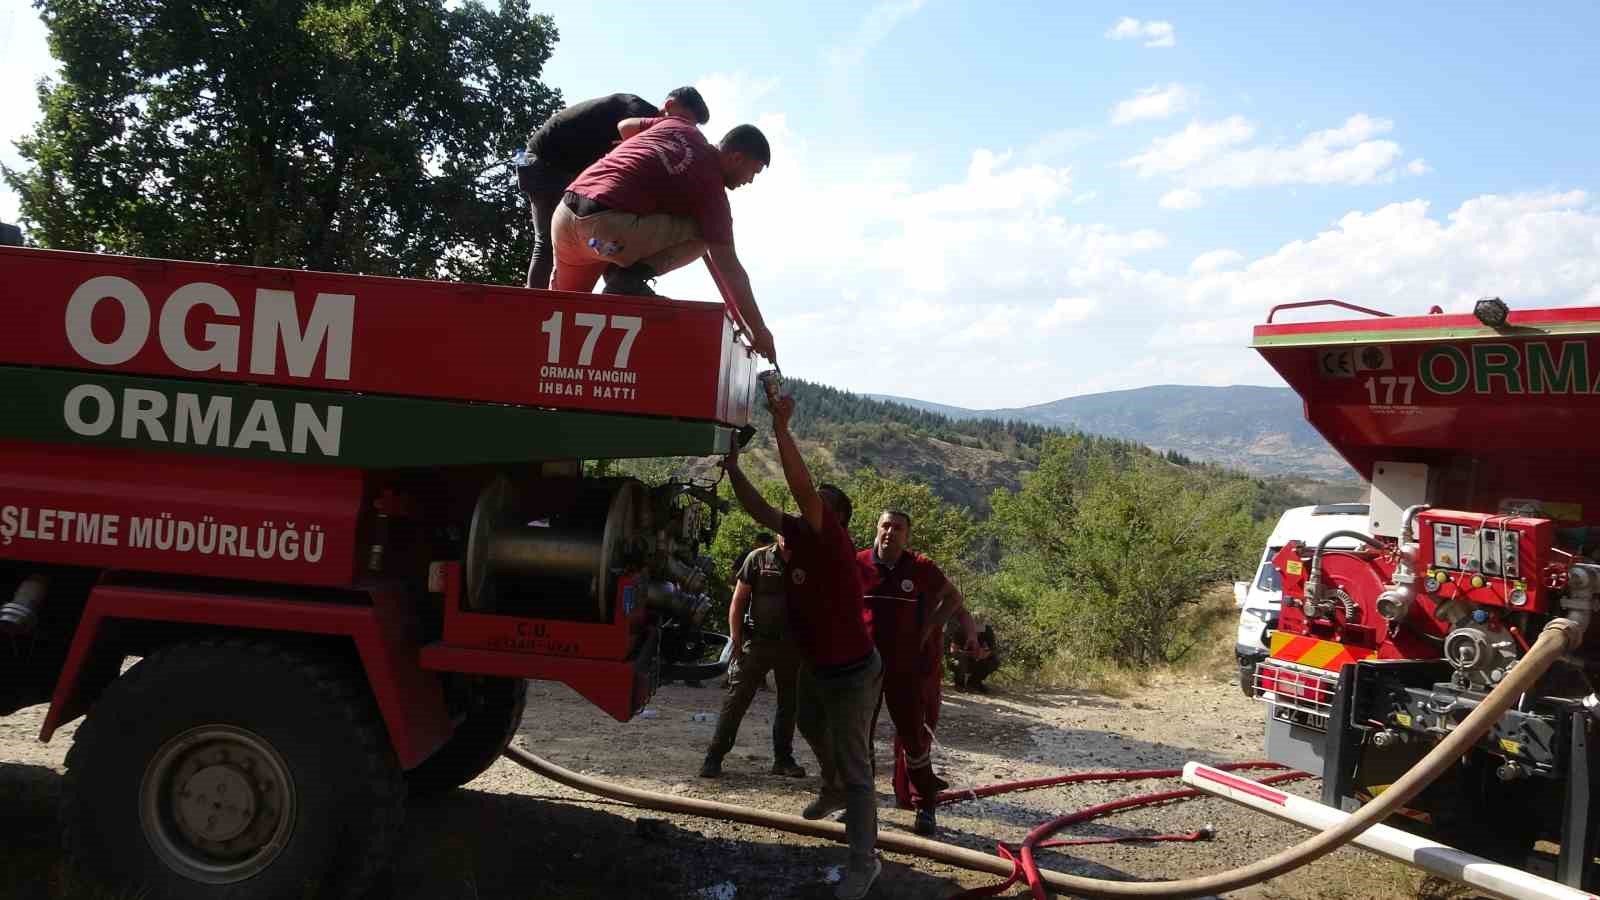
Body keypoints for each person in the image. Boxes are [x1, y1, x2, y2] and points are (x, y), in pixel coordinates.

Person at [720, 396, 882, 900]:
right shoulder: (792, 537)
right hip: (818, 665)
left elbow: (801, 487)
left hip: (854, 671)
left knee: (858, 767)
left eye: (819, 507)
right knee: (808, 721)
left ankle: (865, 860)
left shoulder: (829, 541)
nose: (805, 509)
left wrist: (782, 427)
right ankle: (830, 784)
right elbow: (761, 507)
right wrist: (731, 468)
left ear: (835, 520)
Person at [551, 117, 778, 362]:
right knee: (706, 235)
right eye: (752, 172)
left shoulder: (680, 126)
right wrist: (759, 330)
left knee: (561, 314)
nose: (750, 181)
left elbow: (625, 126)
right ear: (736, 158)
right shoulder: (712, 192)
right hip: (606, 234)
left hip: (566, 221)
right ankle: (628, 279)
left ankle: (544, 380)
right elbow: (730, 269)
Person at [519, 88, 710, 290]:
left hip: (558, 169)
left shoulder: (649, 127)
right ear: (669, 106)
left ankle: (622, 287)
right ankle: (533, 308)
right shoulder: (638, 112)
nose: (682, 129)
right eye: (683, 120)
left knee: (599, 240)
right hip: (540, 161)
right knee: (547, 243)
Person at [859, 509, 977, 837]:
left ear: (906, 535)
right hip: (865, 667)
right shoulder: (858, 564)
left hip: (906, 667)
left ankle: (925, 806)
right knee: (860, 737)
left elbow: (954, 598)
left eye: (898, 528)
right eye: (885, 525)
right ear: (876, 528)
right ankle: (861, 806)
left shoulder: (921, 568)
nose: (890, 532)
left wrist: (931, 626)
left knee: (913, 738)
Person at [698, 533, 806, 779]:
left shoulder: (808, 561)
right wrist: (735, 638)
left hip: (792, 645)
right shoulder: (757, 558)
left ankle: (783, 759)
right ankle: (714, 757)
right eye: (783, 529)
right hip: (757, 642)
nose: (787, 535)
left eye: (792, 529)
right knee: (736, 700)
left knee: (789, 704)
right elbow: (738, 599)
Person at [949, 617, 1000, 693]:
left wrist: (985, 654)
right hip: (963, 658)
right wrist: (969, 654)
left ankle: (973, 683)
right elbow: (953, 651)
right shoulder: (961, 630)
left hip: (979, 660)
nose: (978, 632)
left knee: (994, 661)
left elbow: (992, 649)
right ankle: (959, 684)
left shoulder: (987, 630)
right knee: (958, 659)